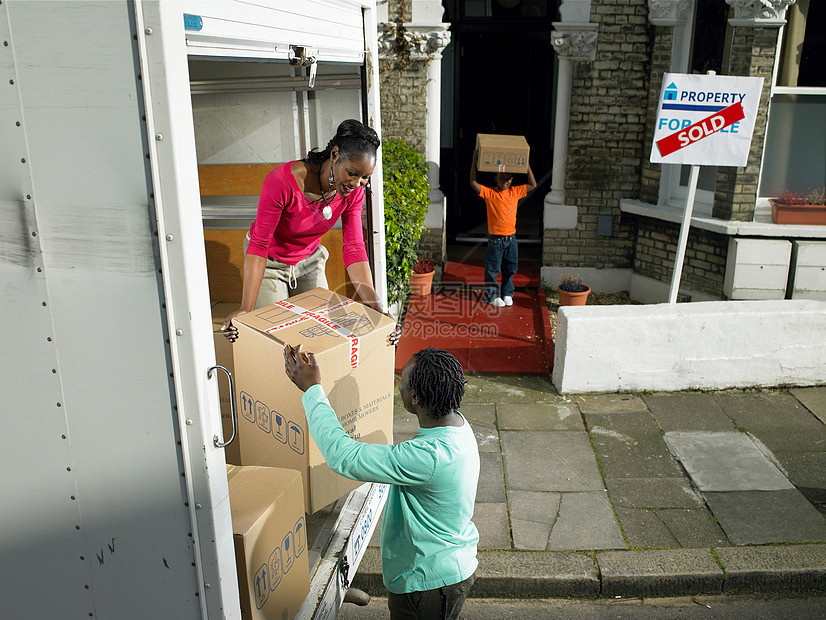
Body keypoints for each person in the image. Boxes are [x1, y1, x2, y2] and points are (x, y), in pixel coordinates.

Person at [283, 344, 479, 620]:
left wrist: (313, 389)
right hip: (450, 567)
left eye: (402, 380)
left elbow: (343, 456)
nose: (397, 384)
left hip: (427, 584)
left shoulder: (427, 456)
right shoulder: (457, 424)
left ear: (415, 397)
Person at [222, 119, 394, 342]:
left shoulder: (354, 193)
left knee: (320, 335)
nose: (356, 183)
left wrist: (375, 307)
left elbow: (354, 249)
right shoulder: (282, 182)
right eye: (352, 173)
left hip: (309, 260)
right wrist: (246, 308)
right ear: (334, 154)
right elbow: (259, 244)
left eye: (364, 177)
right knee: (275, 338)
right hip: (270, 262)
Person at [470, 149, 537, 307]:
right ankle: (493, 295)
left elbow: (533, 185)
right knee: (492, 270)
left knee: (510, 268)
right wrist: (474, 162)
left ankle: (507, 293)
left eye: (508, 178)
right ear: (496, 178)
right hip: (496, 240)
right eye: (502, 178)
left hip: (511, 239)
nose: (505, 181)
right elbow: (473, 183)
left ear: (512, 180)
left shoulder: (515, 192)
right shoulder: (490, 193)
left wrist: (525, 165)